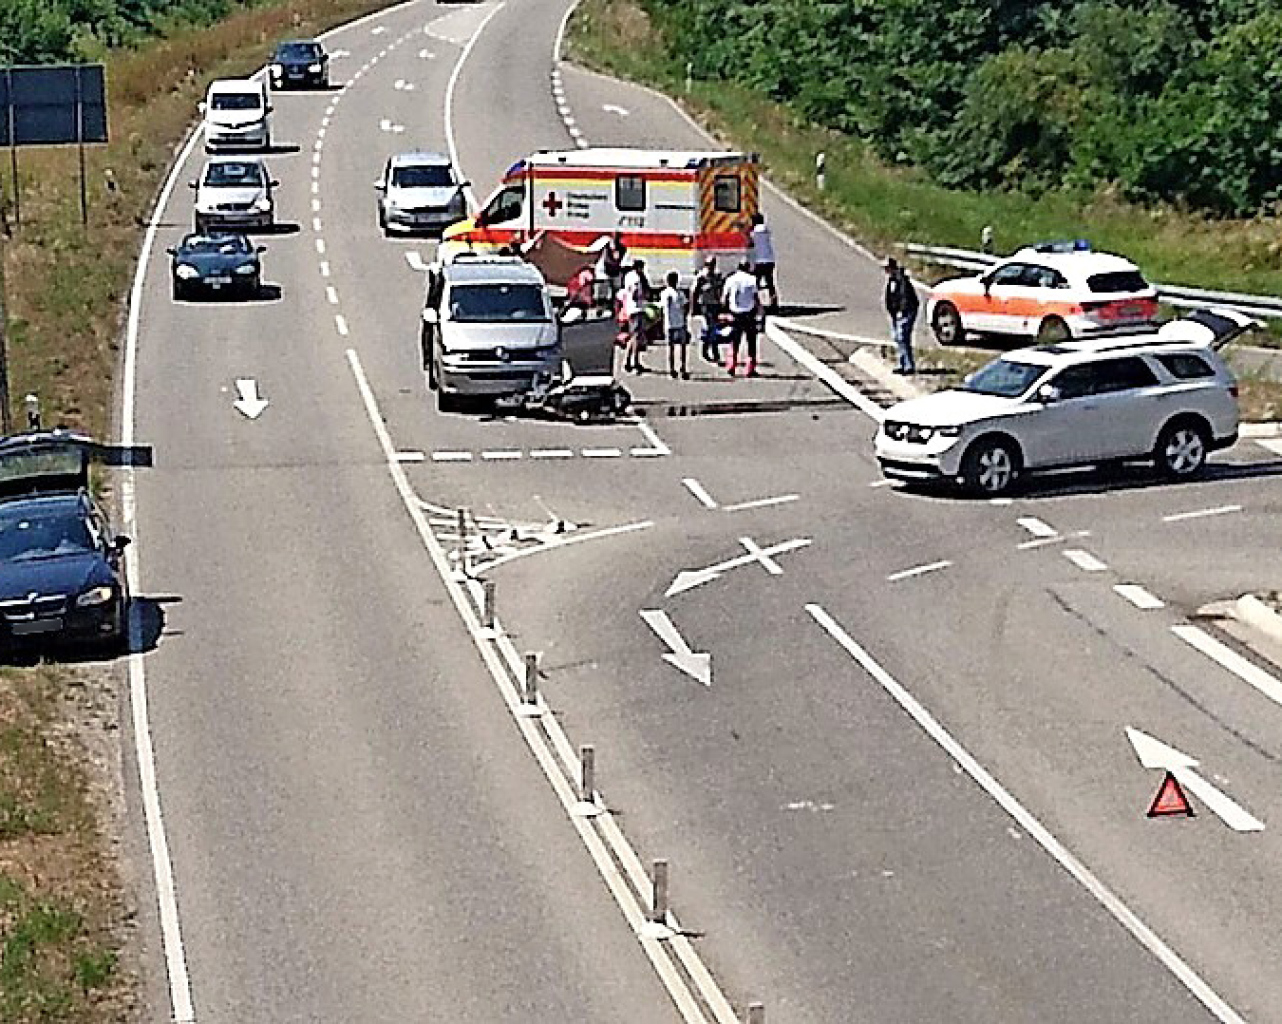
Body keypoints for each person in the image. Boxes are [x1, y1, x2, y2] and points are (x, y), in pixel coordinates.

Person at [721, 259, 760, 377]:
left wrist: (725, 311)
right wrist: (760, 311)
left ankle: (731, 366)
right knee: (751, 342)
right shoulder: (752, 280)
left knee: (734, 341)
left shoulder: (730, 279)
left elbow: (724, 298)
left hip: (735, 313)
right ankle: (750, 368)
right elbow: (755, 297)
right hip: (749, 313)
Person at [884, 257, 919, 375]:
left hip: (906, 311)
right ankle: (902, 363)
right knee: (897, 337)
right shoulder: (891, 280)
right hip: (896, 313)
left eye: (887, 268)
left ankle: (908, 365)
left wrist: (901, 311)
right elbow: (890, 297)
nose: (886, 270)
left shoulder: (901, 279)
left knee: (902, 337)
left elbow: (904, 296)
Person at [691, 257, 724, 364]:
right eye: (709, 265)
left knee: (714, 328)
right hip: (705, 305)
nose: (711, 267)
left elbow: (720, 289)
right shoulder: (701, 276)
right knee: (710, 327)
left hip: (715, 304)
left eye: (713, 264)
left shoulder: (717, 275)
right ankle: (710, 351)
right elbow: (694, 292)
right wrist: (693, 308)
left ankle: (711, 350)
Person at [660, 271, 691, 379]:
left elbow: (664, 308)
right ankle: (679, 368)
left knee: (673, 347)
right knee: (679, 347)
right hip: (677, 322)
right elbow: (686, 306)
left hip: (672, 323)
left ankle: (675, 369)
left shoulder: (667, 293)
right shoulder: (677, 293)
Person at [621, 259, 649, 374]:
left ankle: (628, 361)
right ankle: (635, 362)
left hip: (632, 309)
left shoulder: (629, 276)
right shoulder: (636, 278)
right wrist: (642, 295)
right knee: (636, 337)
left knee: (634, 337)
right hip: (636, 309)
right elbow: (635, 293)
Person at [749, 212, 779, 313]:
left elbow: (749, 238)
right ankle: (774, 303)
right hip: (769, 260)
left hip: (759, 261)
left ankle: (754, 303)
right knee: (770, 283)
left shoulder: (755, 231)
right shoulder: (766, 230)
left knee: (755, 283)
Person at [597, 232, 628, 306]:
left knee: (616, 291)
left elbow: (617, 259)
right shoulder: (606, 247)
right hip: (607, 272)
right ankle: (602, 306)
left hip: (615, 272)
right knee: (603, 290)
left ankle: (613, 306)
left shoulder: (622, 249)